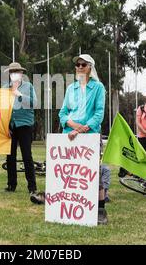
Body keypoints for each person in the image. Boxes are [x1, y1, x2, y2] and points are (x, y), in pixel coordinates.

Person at [58, 54, 108, 225]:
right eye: (77, 65)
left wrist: (81, 129)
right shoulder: (70, 88)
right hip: (69, 135)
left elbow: (99, 113)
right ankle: (71, 207)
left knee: (94, 173)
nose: (79, 67)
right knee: (70, 173)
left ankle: (101, 210)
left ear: (90, 68)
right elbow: (63, 113)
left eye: (83, 64)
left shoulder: (98, 87)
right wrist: (72, 126)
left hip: (89, 135)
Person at [3, 62, 39, 198]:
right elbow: (3, 108)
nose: (14, 74)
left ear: (21, 73)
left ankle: (32, 187)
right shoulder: (5, 88)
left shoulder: (28, 86)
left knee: (27, 156)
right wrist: (5, 125)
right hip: (10, 126)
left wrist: (18, 94)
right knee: (10, 156)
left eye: (17, 71)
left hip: (25, 124)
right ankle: (11, 185)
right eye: (12, 72)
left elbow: (34, 103)